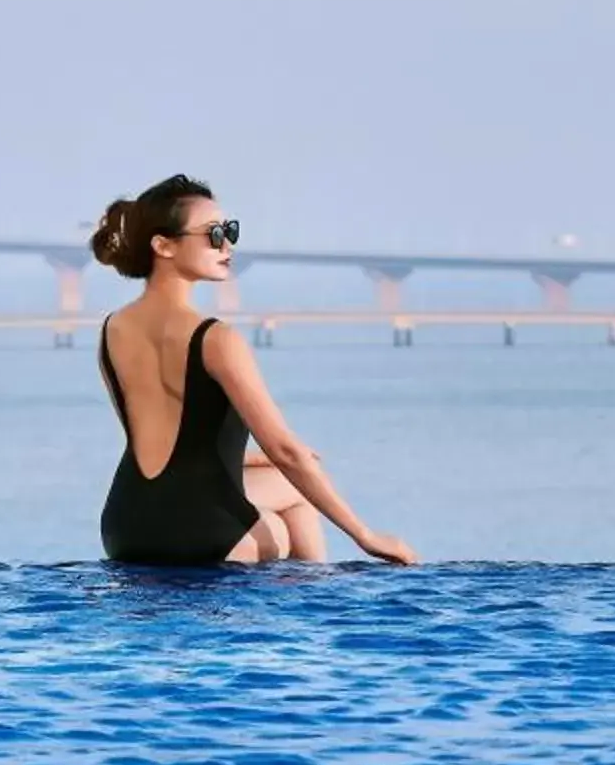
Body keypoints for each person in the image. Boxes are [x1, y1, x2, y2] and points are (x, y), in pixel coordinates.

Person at [89, 175, 418, 567]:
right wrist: (367, 537)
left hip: (125, 528)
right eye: (213, 234)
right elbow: (287, 451)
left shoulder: (112, 330)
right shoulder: (216, 339)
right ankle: (319, 606)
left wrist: (253, 460)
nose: (227, 245)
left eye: (230, 231)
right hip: (200, 536)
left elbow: (157, 443)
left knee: (287, 482)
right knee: (295, 500)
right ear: (163, 245)